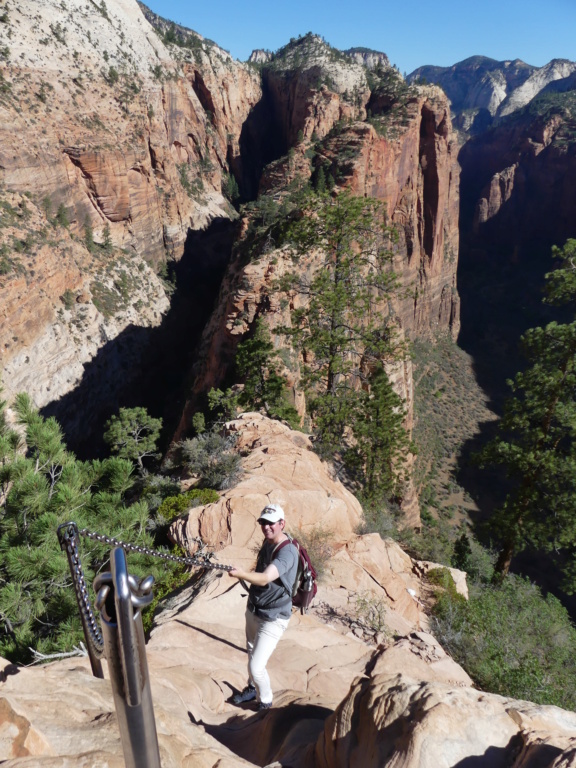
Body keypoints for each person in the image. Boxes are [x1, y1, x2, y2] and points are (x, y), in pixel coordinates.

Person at [228, 503, 298, 710]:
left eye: (271, 523)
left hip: (274, 617)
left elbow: (266, 577)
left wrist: (240, 574)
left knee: (256, 667)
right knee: (251, 650)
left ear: (282, 524)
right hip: (255, 608)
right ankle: (252, 688)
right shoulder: (268, 543)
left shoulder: (288, 552)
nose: (266, 527)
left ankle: (265, 700)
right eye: (263, 523)